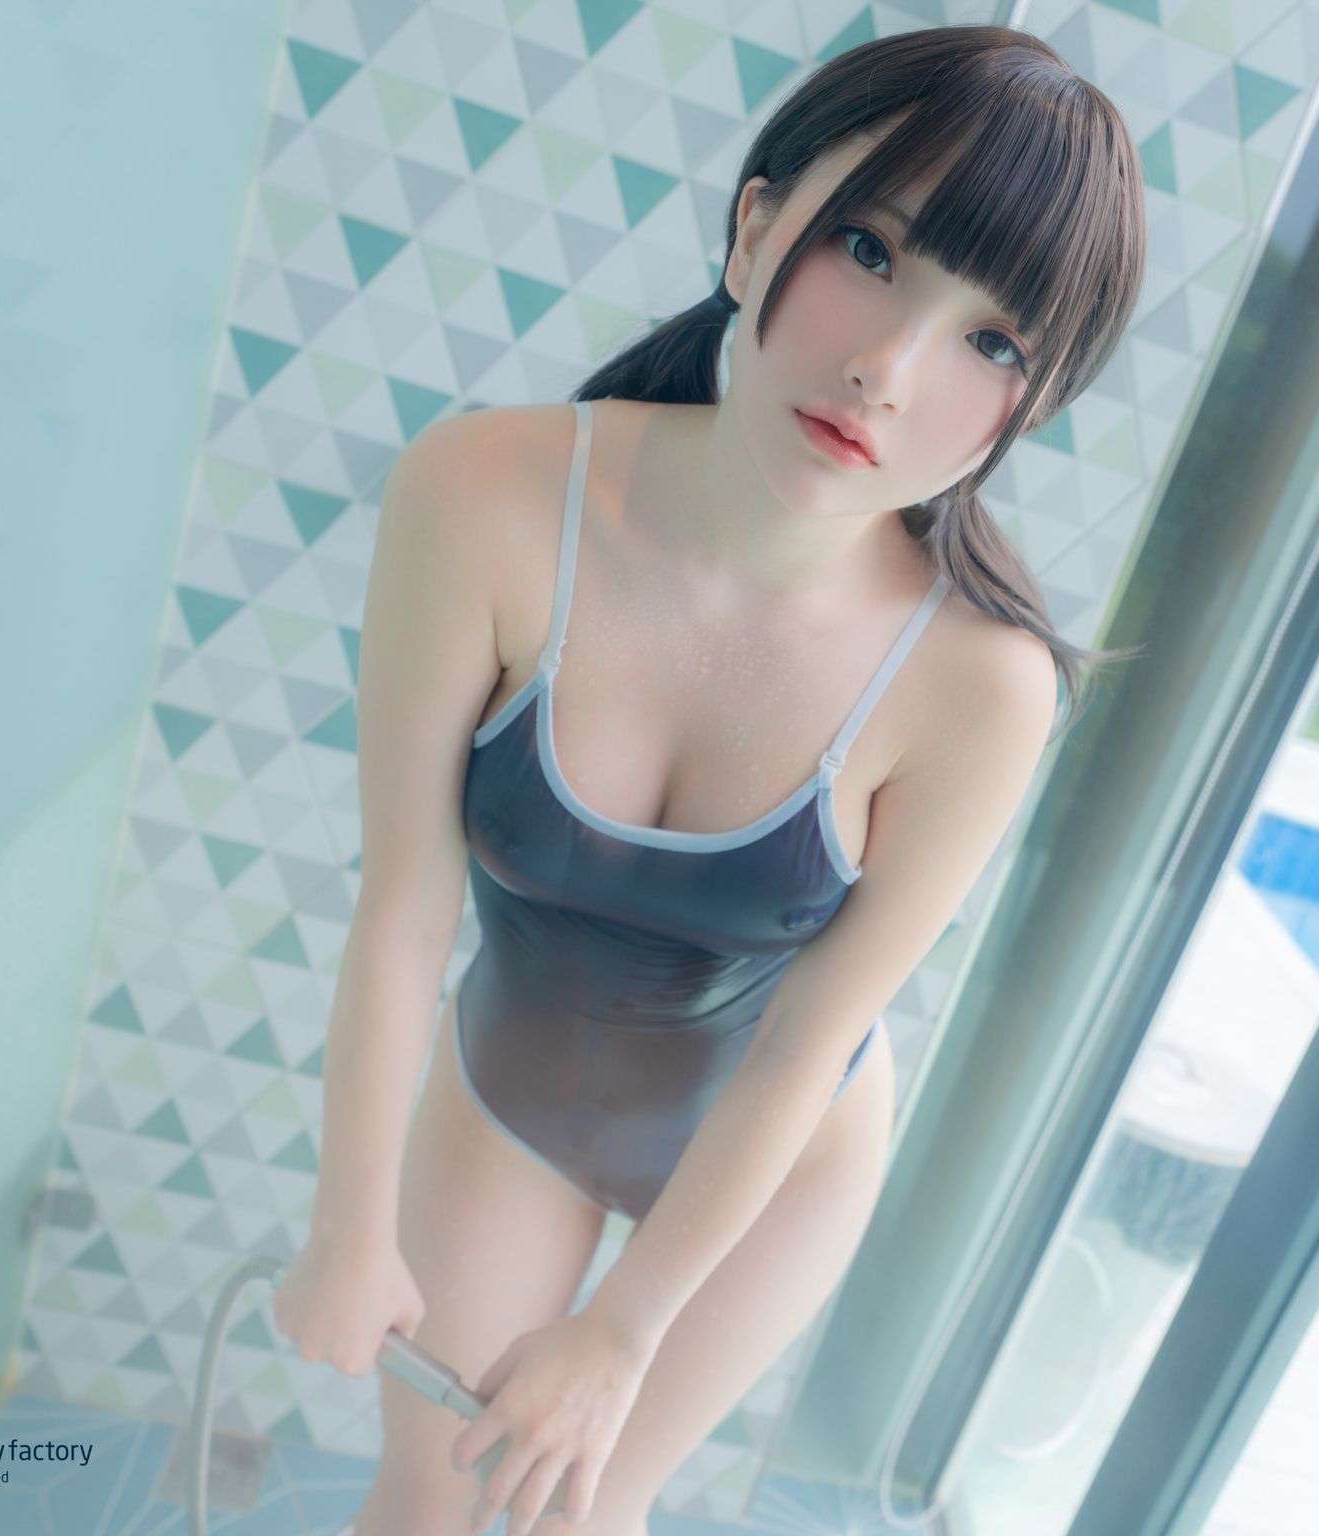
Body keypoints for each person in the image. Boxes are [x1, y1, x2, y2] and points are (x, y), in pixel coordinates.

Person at [272, 23, 1146, 1536]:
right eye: (868, 250)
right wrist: (349, 1229)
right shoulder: (484, 494)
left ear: (1035, 403)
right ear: (754, 227)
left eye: (993, 344)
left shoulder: (980, 685)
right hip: (514, 1094)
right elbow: (404, 904)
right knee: (422, 1513)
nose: (887, 369)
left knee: (581, 1519)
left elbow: (815, 1032)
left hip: (772, 1166)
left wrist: (624, 1333)